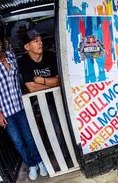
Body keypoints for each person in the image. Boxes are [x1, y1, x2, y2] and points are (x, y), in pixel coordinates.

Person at [0, 34, 48, 181]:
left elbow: (21, 78)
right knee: (18, 142)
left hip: (20, 107)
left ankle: (39, 161)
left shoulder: (11, 56)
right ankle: (31, 165)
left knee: (29, 137)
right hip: (6, 112)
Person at [18, 29, 71, 164]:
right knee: (56, 129)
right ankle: (63, 158)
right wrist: (52, 83)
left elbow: (60, 80)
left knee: (69, 125)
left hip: (63, 98)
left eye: (40, 40)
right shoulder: (23, 62)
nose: (40, 43)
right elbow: (31, 87)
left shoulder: (51, 56)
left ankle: (72, 152)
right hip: (44, 103)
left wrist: (43, 81)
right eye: (36, 41)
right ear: (27, 47)